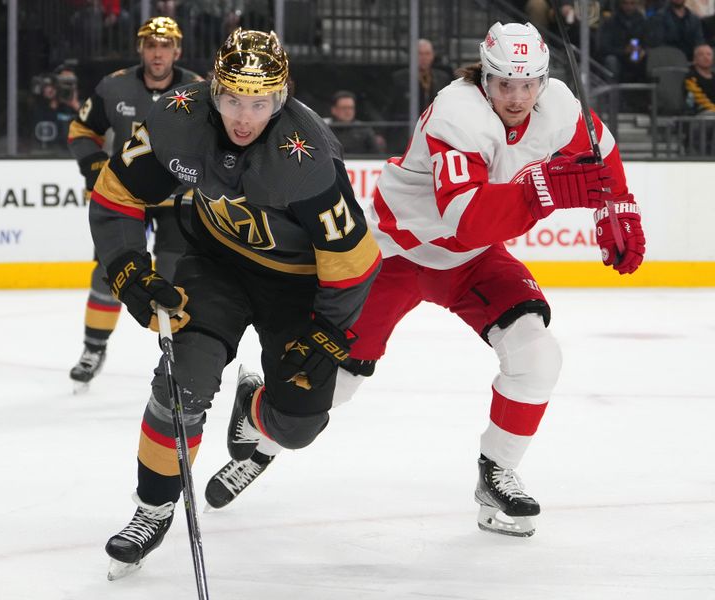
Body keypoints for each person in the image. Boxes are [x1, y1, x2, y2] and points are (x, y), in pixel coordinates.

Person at [205, 22, 646, 539]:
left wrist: (619, 207)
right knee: (335, 385)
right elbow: (467, 218)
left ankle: (495, 474)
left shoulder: (560, 104)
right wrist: (546, 190)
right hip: (397, 252)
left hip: (471, 260)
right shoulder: (457, 111)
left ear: (543, 80)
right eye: (505, 83)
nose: (518, 96)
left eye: (529, 84)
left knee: (537, 354)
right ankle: (260, 431)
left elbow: (603, 149)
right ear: (485, 76)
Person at [90, 28, 380, 578]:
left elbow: (353, 258)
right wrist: (128, 268)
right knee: (183, 385)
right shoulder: (177, 116)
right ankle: (152, 507)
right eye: (230, 100)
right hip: (216, 264)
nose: (243, 117)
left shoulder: (308, 154)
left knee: (298, 424)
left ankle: (253, 410)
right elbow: (116, 193)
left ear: (283, 96)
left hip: (297, 286)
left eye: (260, 102)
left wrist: (327, 329)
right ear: (212, 90)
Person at [67, 16, 203, 391]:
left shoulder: (198, 90)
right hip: (126, 195)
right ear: (141, 50)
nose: (158, 54)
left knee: (176, 274)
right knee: (109, 272)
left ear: (177, 51)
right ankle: (93, 349)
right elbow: (82, 130)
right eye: (151, 46)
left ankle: (177, 355)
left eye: (165, 46)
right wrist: (95, 165)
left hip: (180, 198)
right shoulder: (113, 87)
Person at [387, 38, 453, 152]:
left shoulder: (443, 78)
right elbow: (389, 107)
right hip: (406, 132)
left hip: (435, 132)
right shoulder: (398, 78)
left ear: (433, 56)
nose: (424, 58)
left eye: (427, 54)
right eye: (420, 54)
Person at [29, 63, 81, 154]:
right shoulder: (40, 108)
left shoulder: (83, 108)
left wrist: (76, 106)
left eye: (69, 83)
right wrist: (53, 102)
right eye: (62, 82)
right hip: (49, 156)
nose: (65, 87)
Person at [597, 0, 649, 85]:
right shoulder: (611, 22)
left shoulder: (642, 21)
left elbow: (649, 42)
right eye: (625, 3)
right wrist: (624, 51)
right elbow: (604, 48)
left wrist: (642, 51)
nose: (628, 7)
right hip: (618, 59)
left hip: (638, 59)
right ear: (620, 4)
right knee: (611, 61)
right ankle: (613, 94)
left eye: (632, 3)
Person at [323, 90, 385, 154]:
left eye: (351, 108)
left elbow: (376, 156)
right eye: (344, 108)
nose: (348, 111)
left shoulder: (364, 130)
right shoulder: (325, 129)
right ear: (334, 110)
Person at [685, 42, 715, 112]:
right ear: (694, 60)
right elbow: (699, 100)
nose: (706, 57)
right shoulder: (690, 78)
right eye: (701, 54)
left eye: (709, 54)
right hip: (699, 113)